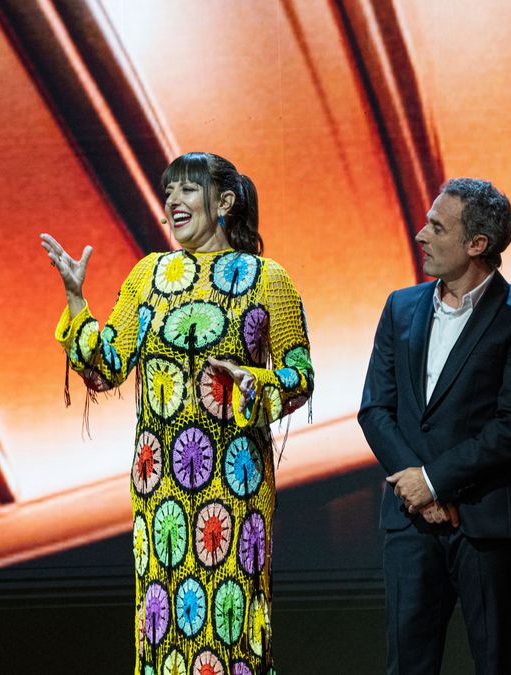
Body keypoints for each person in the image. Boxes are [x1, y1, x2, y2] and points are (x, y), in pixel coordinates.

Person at [41, 152, 313, 674]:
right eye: (169, 191)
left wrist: (250, 384)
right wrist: (78, 301)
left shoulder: (267, 279)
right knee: (164, 621)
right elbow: (107, 367)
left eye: (188, 189)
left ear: (225, 202)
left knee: (231, 619)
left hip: (234, 486)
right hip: (160, 484)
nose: (172, 201)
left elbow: (300, 376)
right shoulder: (149, 274)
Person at [358, 178, 511, 674]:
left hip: (485, 520)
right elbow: (375, 409)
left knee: (495, 660)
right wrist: (416, 488)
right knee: (408, 663)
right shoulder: (400, 307)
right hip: (409, 523)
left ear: (477, 244)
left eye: (436, 226)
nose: (421, 235)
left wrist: (435, 482)